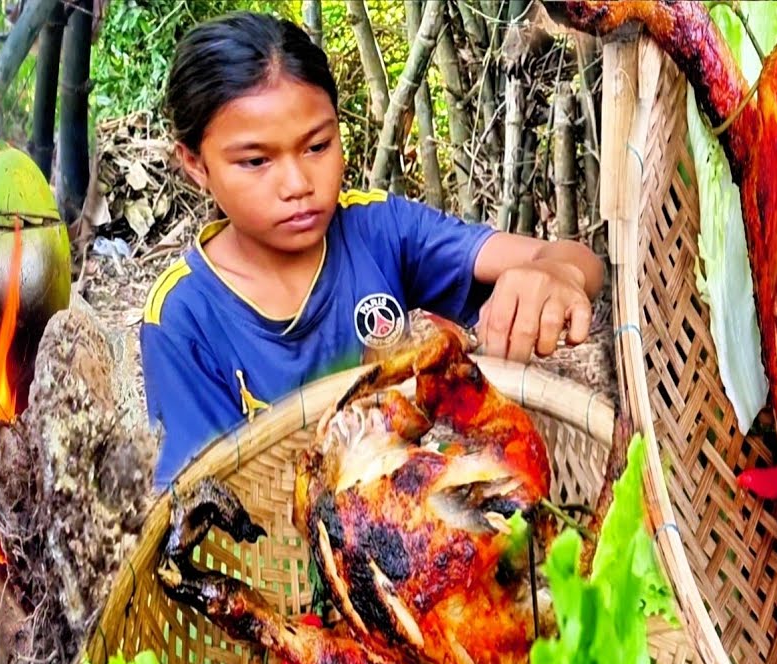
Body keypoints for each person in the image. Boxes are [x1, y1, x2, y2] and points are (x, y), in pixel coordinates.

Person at [140, 11, 604, 489]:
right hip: (272, 554)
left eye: (317, 146)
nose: (298, 184)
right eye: (256, 161)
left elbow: (575, 261)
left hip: (417, 521)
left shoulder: (378, 229)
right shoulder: (182, 316)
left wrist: (557, 277)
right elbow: (202, 502)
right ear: (195, 164)